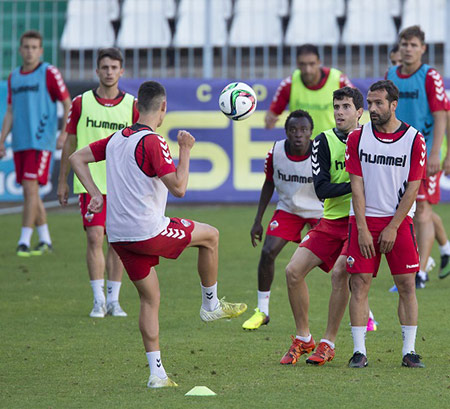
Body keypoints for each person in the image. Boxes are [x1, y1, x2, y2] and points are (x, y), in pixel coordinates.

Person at [69, 81, 247, 388]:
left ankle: (157, 375)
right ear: (163, 108)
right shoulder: (153, 142)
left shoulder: (115, 139)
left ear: (137, 107)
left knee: (150, 299)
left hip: (119, 235)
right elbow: (178, 187)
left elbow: (76, 158)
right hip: (148, 230)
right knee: (212, 236)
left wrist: (95, 194)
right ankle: (210, 305)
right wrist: (186, 150)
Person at [280, 86, 365, 367]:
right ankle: (304, 338)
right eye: (336, 107)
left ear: (359, 112)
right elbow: (322, 189)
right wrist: (357, 185)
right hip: (330, 221)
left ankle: (328, 343)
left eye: (346, 107)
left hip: (358, 221)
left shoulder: (371, 140)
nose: (339, 112)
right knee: (293, 271)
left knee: (340, 273)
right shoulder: (323, 141)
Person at [345, 80, 426, 368]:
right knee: (359, 283)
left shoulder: (414, 139)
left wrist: (393, 226)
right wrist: (364, 227)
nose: (372, 109)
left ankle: (410, 350)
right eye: (369, 103)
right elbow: (357, 187)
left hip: (399, 222)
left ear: (394, 105)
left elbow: (414, 188)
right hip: (365, 221)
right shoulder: (357, 138)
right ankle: (358, 351)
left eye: (378, 103)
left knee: (406, 285)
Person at [57, 48, 138, 318]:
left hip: (121, 184)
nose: (109, 72)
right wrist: (62, 180)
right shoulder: (81, 103)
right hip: (89, 183)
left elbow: (140, 144)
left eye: (114, 67)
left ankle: (114, 300)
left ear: (121, 71)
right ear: (97, 71)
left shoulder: (132, 105)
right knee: (94, 237)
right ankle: (98, 299)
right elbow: (69, 142)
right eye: (105, 67)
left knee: (117, 242)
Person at [242, 110, 323, 330]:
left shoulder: (320, 153)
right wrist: (258, 220)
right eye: (293, 130)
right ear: (286, 132)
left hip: (320, 210)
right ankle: (262, 311)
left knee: (342, 264)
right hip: (289, 209)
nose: (298, 134)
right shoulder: (276, 152)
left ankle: (366, 313)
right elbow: (269, 183)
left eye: (303, 130)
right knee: (268, 252)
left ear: (310, 133)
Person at [387, 25, 450, 288]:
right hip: (399, 152)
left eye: (413, 44)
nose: (408, 48)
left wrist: (438, 153)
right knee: (407, 211)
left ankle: (420, 272)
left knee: (422, 208)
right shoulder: (392, 74)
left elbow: (441, 115)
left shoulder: (430, 76)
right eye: (404, 44)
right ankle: (443, 249)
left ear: (422, 49)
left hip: (426, 152)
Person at [0, 30, 71, 256]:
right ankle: (45, 240)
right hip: (20, 143)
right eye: (26, 47)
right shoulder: (14, 77)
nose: (30, 51)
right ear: (20, 50)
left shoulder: (49, 72)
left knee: (30, 188)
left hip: (41, 142)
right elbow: (10, 110)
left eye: (34, 47)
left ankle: (24, 240)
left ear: (40, 51)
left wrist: (63, 134)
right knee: (31, 193)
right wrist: (2, 139)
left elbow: (67, 103)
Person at [265, 43, 352, 135]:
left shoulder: (339, 80)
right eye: (303, 64)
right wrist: (269, 120)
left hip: (333, 142)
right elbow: (272, 114)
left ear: (319, 62)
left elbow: (355, 106)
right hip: (303, 145)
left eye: (312, 64)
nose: (308, 70)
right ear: (297, 64)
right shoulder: (289, 84)